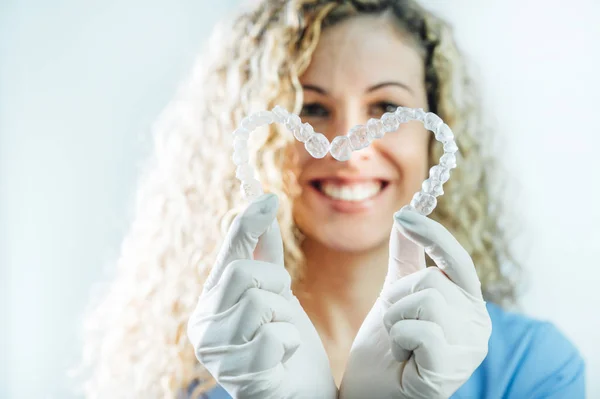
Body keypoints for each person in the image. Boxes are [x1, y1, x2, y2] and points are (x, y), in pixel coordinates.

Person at [77, 0, 585, 398]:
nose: (352, 146)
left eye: (386, 106)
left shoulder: (534, 369)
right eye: (312, 107)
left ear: (435, 132)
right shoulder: (186, 375)